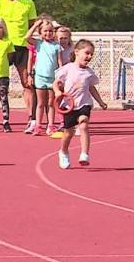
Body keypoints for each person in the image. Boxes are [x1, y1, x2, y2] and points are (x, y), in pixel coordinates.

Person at [0, 0, 38, 132]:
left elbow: (32, 24)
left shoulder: (28, 3)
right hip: (3, 47)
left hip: (22, 46)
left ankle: (32, 119)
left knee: (28, 83)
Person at [53, 39, 108, 169]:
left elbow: (91, 88)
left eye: (91, 55)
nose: (89, 57)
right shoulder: (67, 69)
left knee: (83, 124)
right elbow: (56, 83)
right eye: (87, 53)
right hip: (69, 105)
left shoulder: (89, 73)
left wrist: (100, 102)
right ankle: (64, 151)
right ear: (77, 52)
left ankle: (84, 154)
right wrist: (57, 92)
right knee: (68, 133)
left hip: (84, 103)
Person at [25, 19, 62, 135]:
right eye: (45, 31)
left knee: (51, 103)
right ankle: (38, 125)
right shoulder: (38, 44)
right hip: (40, 77)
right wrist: (36, 25)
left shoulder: (57, 46)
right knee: (40, 103)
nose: (48, 33)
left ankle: (50, 125)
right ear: (40, 32)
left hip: (52, 78)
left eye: (51, 31)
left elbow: (60, 62)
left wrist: (60, 77)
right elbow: (27, 37)